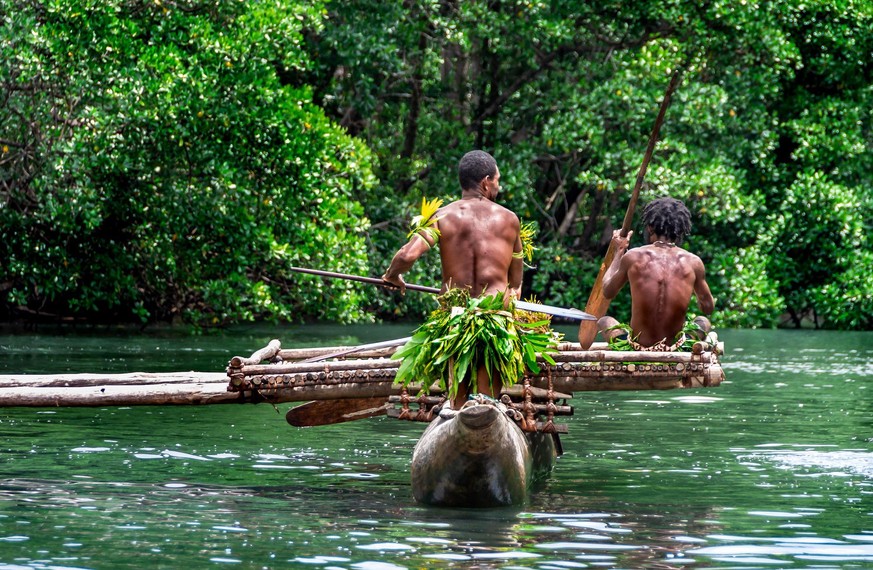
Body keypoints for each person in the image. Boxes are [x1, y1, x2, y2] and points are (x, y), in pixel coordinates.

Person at [382, 150, 524, 405]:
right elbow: (516, 284)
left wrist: (392, 276)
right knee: (486, 399)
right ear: (486, 181)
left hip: (454, 320)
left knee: (458, 401)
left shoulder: (442, 217)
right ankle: (485, 410)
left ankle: (458, 410)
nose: (499, 187)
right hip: (497, 323)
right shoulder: (510, 220)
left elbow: (406, 256)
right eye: (498, 180)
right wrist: (510, 298)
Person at [588, 196, 715, 350]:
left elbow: (607, 291)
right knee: (703, 321)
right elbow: (708, 308)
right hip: (675, 347)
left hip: (637, 347)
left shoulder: (633, 256)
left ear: (650, 227)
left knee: (604, 321)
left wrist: (619, 251)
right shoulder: (693, 262)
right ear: (680, 229)